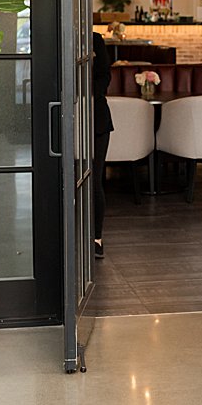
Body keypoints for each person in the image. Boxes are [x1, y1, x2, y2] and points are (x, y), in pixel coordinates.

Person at [91, 30, 114, 258]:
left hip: (96, 118)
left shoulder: (96, 39)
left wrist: (86, 95)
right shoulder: (57, 36)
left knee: (94, 181)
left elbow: (105, 76)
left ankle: (96, 237)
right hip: (64, 117)